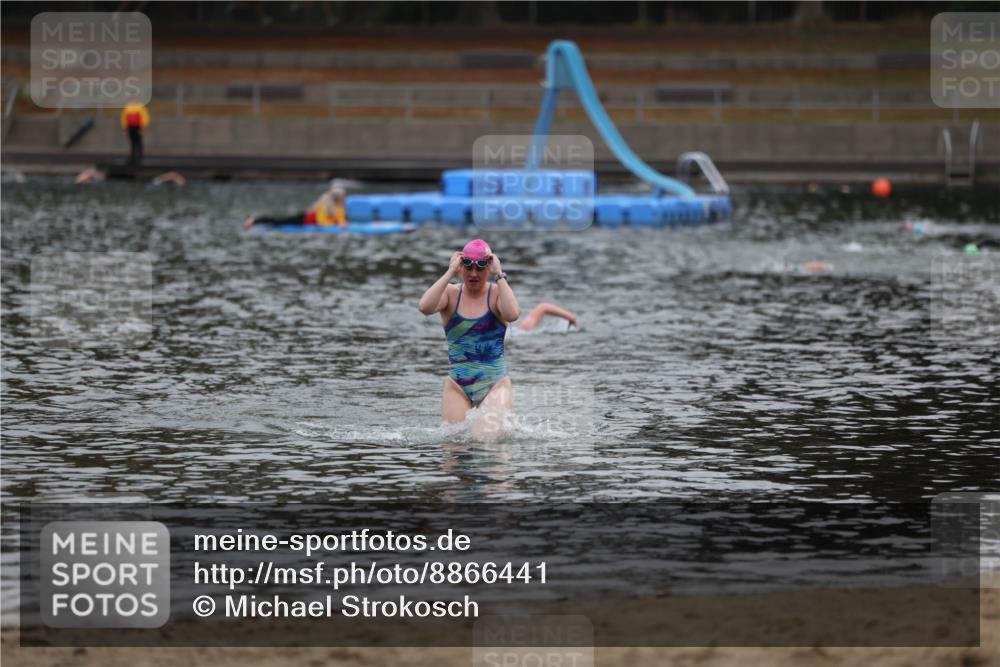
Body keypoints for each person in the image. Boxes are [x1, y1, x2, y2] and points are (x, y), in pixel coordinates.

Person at [418, 239, 521, 426]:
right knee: (454, 445)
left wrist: (500, 274)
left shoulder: (498, 293)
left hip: (495, 384)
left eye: (480, 269)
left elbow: (512, 314)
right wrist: (449, 272)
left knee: (486, 439)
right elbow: (425, 307)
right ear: (461, 267)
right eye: (468, 268)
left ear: (488, 268)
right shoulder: (450, 294)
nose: (473, 274)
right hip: (458, 385)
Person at [244, 184, 347, 229]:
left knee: (280, 219)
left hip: (305, 219)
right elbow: (321, 221)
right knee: (278, 221)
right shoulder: (326, 206)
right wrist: (335, 225)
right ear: (337, 199)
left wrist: (341, 223)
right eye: (343, 197)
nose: (344, 199)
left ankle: (255, 220)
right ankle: (254, 221)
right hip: (302, 219)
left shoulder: (337, 207)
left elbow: (339, 218)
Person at [120, 101, 149, 168]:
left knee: (138, 144)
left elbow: (144, 117)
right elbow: (124, 118)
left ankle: (139, 160)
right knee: (133, 144)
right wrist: (125, 128)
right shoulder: (128, 107)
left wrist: (142, 127)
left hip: (138, 127)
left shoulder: (140, 107)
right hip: (130, 127)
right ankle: (132, 159)